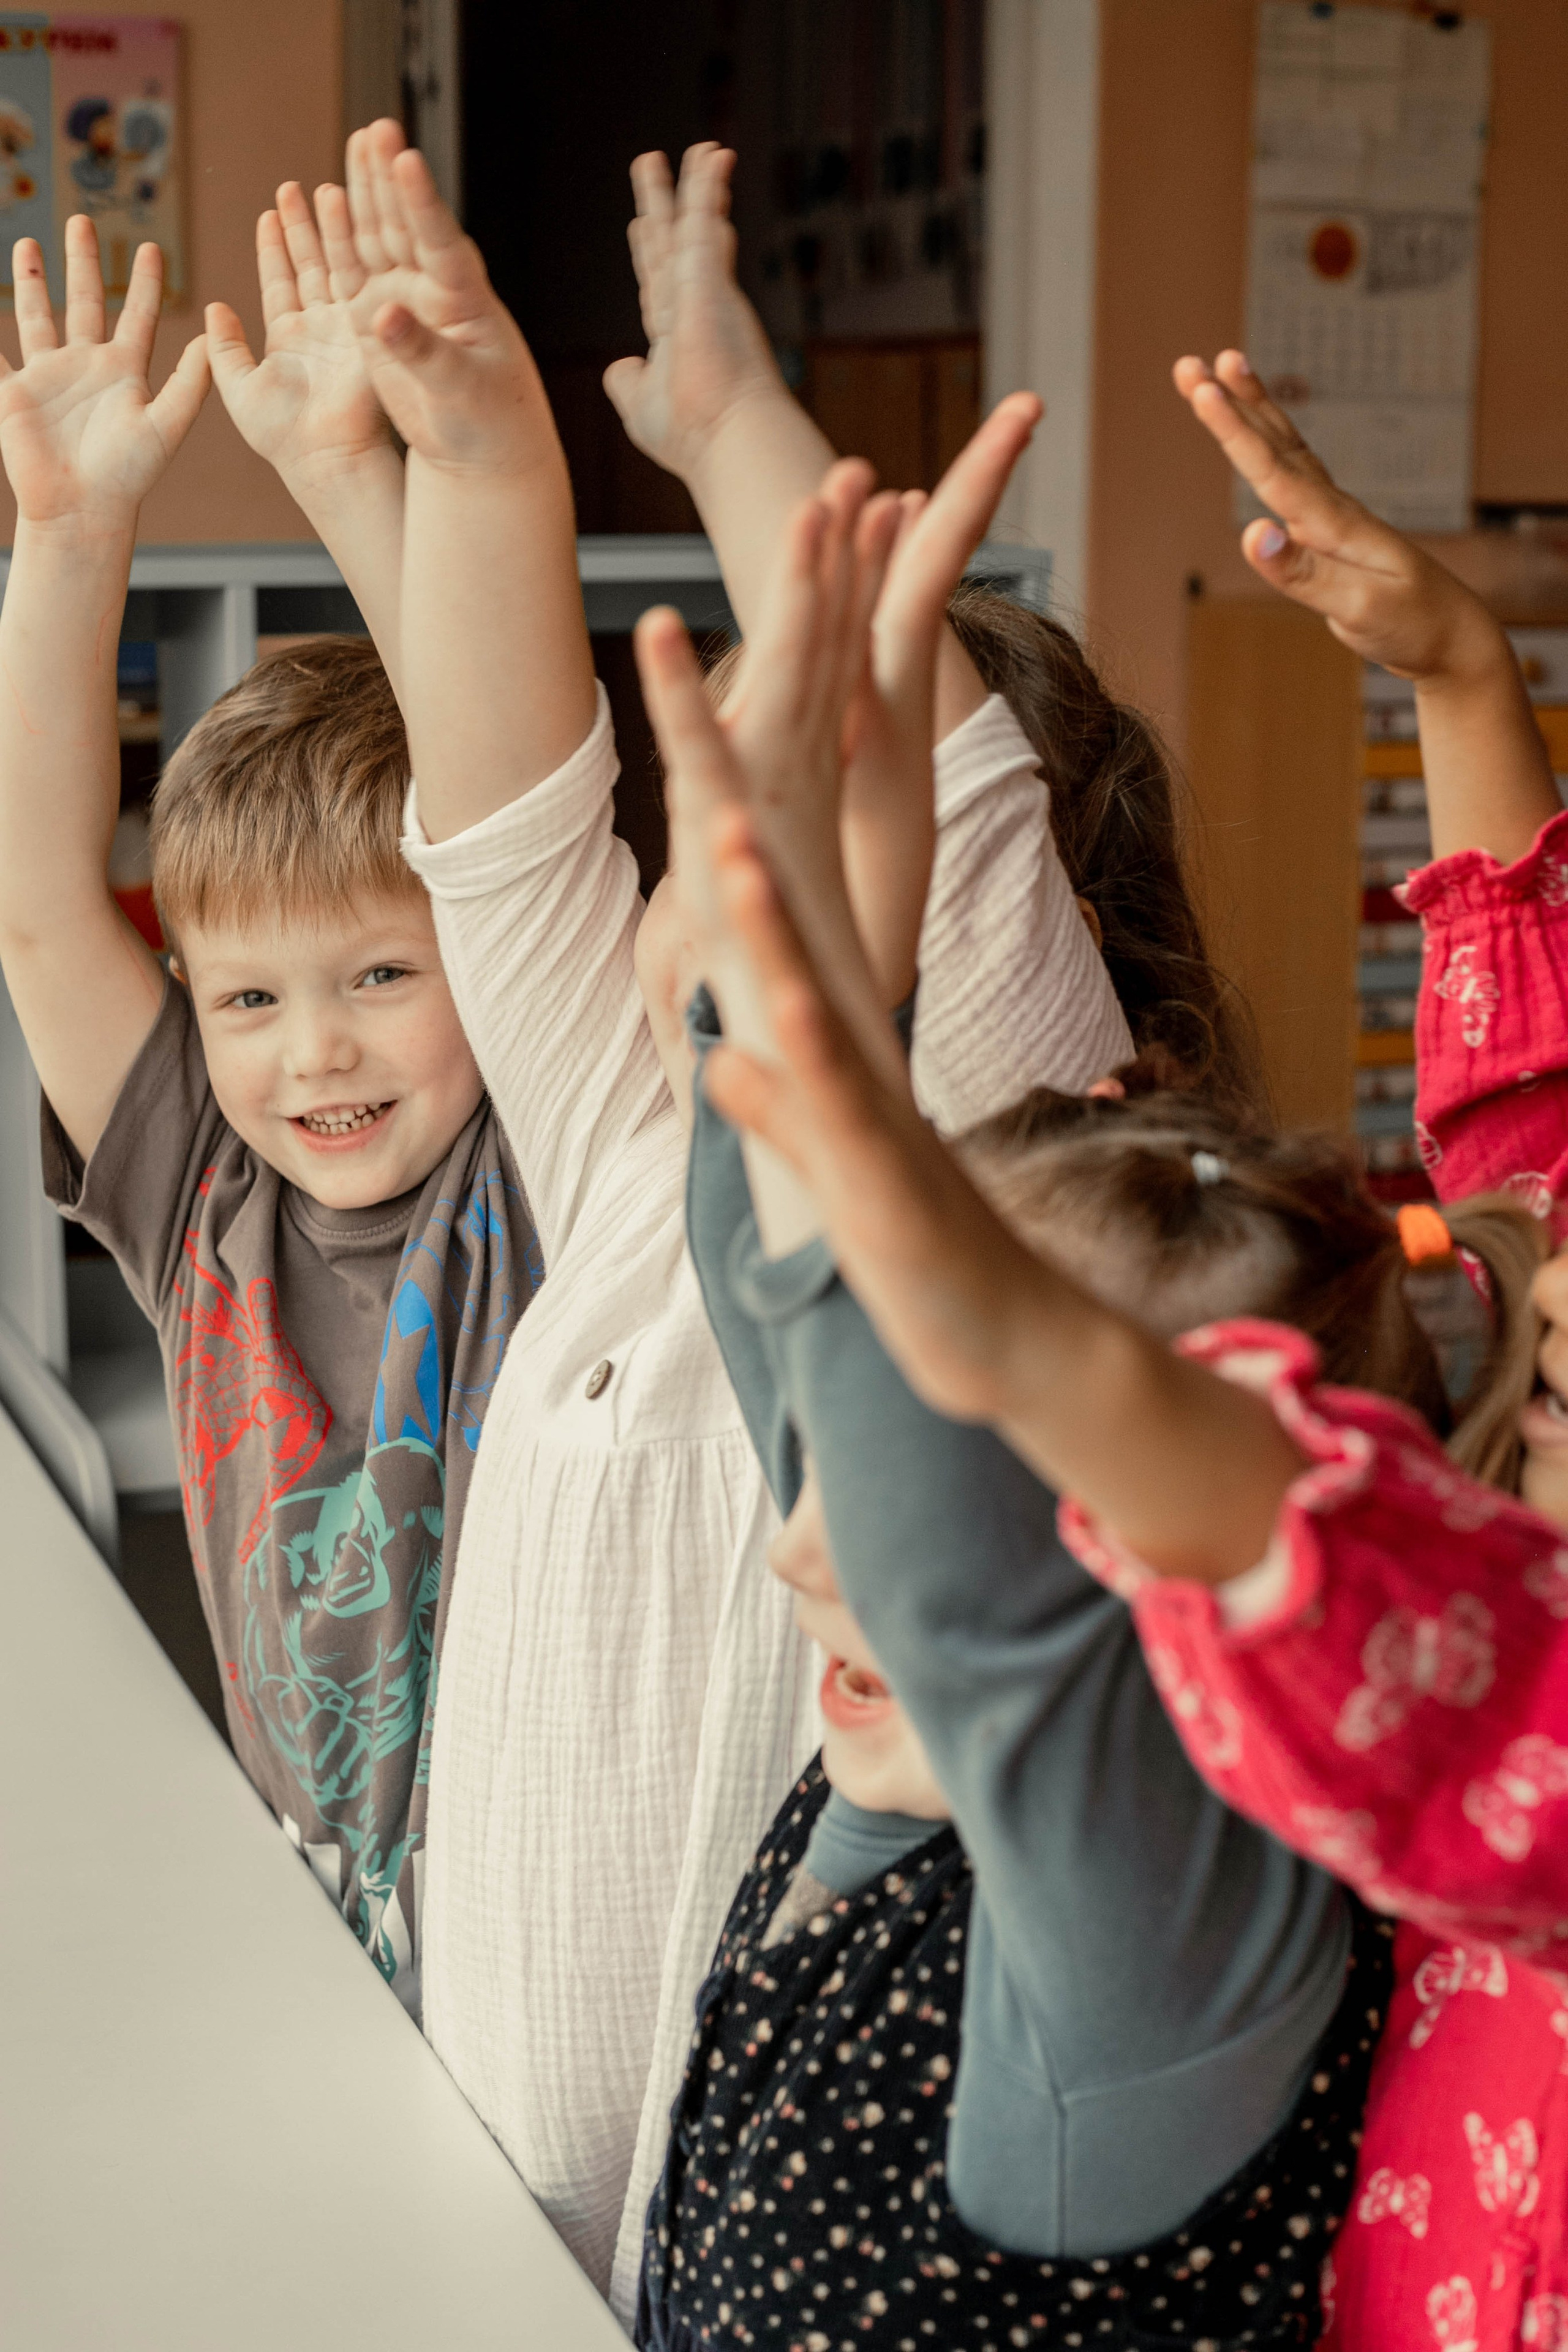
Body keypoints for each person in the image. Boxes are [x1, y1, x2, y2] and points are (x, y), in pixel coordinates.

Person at [358, 121, 1182, 2315]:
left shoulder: (993, 1190)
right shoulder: (632, 1151)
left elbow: (954, 823)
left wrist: (739, 435)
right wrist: (484, 453)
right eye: (711, 808)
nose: (714, 856)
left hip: (734, 2253)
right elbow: (508, 824)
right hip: (482, 2211)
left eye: (788, 802)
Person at [686, 361, 1568, 2350]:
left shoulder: (1175, 1910)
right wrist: (1462, 679)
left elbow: (991, 1571)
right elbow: (1530, 1154)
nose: (810, 1527)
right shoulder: (1002, 1757)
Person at [0, 195, 551, 2015]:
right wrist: (69, 533)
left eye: (382, 976)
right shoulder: (200, 1194)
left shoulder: (540, 1149)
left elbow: (512, 826)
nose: (313, 1054)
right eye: (248, 999)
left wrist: (353, 479)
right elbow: (36, 905)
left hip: (542, 1913)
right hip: (315, 1914)